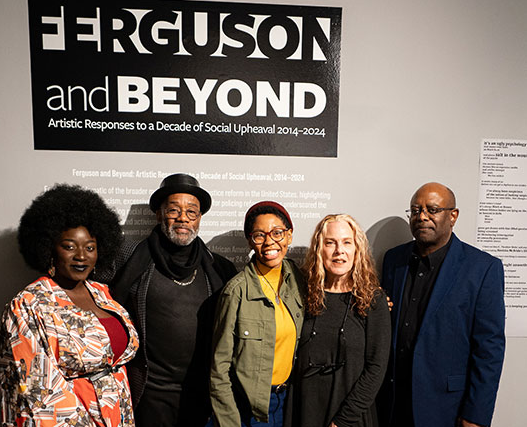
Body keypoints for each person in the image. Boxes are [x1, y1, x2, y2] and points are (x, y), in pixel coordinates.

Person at [101, 173, 237, 427]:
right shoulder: (130, 257)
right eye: (173, 210)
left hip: (200, 394)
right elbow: (85, 283)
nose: (183, 218)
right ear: (159, 214)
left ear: (199, 219)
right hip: (149, 393)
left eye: (191, 212)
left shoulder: (220, 268)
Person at [0, 184, 140, 427]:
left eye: (90, 247)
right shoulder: (28, 305)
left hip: (119, 414)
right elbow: (34, 390)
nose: (81, 256)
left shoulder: (102, 293)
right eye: (69, 246)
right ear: (49, 250)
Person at [377, 182, 505, 427]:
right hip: (392, 405)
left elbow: (489, 350)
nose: (422, 216)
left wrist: (475, 415)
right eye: (415, 210)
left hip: (445, 408)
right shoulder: (393, 260)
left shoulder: (483, 269)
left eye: (432, 210)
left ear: (453, 216)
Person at [285, 214, 391, 427]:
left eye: (346, 243)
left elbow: (376, 367)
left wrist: (343, 420)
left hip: (351, 416)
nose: (339, 251)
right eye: (330, 243)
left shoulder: (373, 299)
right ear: (319, 249)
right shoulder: (302, 294)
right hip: (305, 410)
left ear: (356, 250)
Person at [209, 201, 305, 427]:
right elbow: (219, 368)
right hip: (250, 408)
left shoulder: (300, 280)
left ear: (289, 236)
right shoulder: (236, 291)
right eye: (260, 235)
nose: (270, 241)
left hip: (291, 402)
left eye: (277, 233)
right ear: (251, 241)